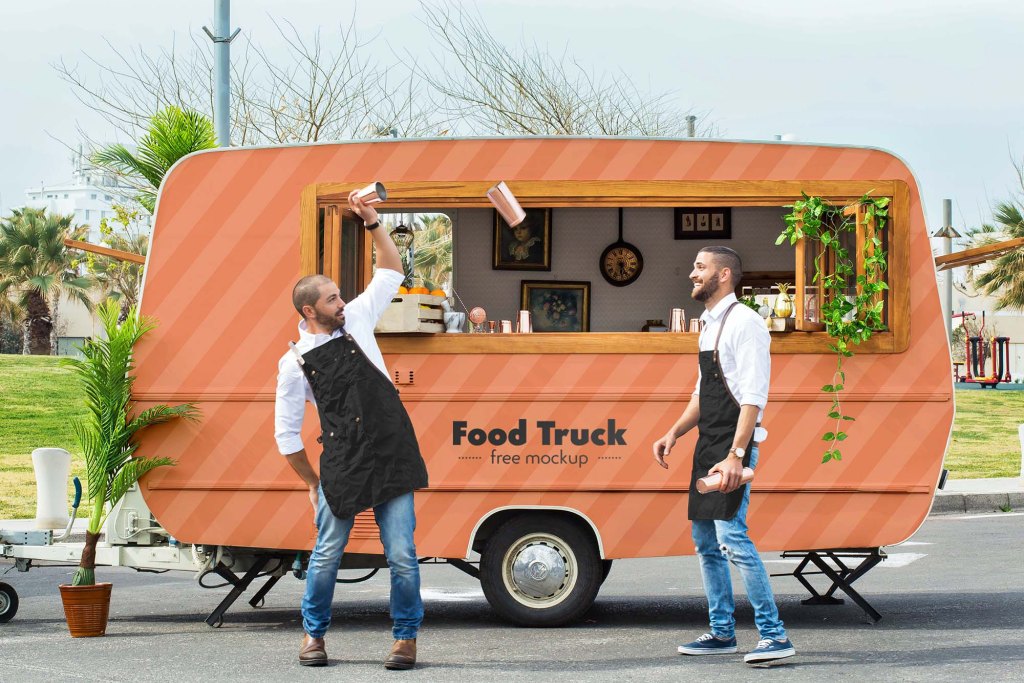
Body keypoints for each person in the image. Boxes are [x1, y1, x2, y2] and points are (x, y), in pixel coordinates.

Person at [275, 191, 429, 670]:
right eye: (332, 298)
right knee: (326, 555)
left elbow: (391, 270)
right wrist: (311, 482)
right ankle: (313, 636)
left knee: (402, 555)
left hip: (391, 451)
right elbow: (287, 436)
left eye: (341, 295)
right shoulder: (294, 363)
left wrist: (371, 221)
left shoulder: (358, 318)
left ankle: (405, 639)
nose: (343, 302)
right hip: (342, 461)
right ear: (309, 311)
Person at [652, 246, 795, 666]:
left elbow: (753, 396)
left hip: (733, 445)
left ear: (725, 275)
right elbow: (703, 392)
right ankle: (722, 633)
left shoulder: (745, 323)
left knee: (732, 536)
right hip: (707, 443)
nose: (692, 274)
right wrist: (674, 432)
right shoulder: (708, 325)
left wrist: (736, 454)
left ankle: (774, 635)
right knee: (704, 541)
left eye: (701, 267)